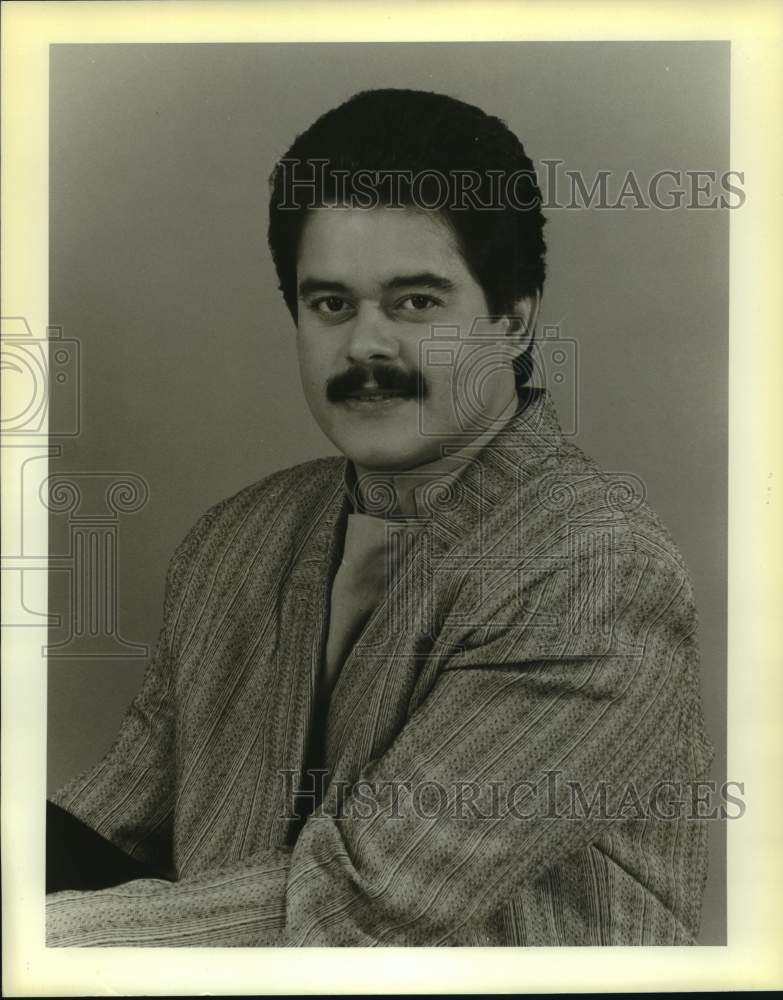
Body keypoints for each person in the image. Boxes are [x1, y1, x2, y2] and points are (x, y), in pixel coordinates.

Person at [46, 88, 714, 946]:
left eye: (414, 303)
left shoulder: (595, 569)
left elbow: (363, 904)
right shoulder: (236, 540)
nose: (364, 346)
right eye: (331, 304)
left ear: (512, 320)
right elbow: (108, 827)